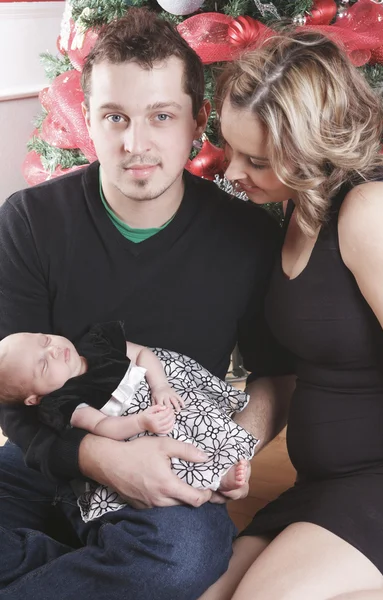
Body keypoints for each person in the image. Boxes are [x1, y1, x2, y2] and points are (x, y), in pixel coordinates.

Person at [0, 8, 288, 600]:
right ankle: (85, 566)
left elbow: (278, 376)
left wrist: (220, 453)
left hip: (170, 463)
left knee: (181, 559)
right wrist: (104, 461)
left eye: (161, 116)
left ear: (197, 122)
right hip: (51, 458)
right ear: (87, 119)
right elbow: (9, 389)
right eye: (115, 117)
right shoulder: (28, 221)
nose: (137, 144)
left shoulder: (249, 236)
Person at [199, 29, 383, 600]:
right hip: (321, 485)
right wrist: (232, 448)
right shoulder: (290, 214)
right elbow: (284, 374)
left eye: (256, 160)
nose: (232, 172)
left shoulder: (371, 210)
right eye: (232, 148)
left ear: (313, 147)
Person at [0, 321, 254, 523]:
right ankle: (219, 479)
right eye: (44, 365)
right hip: (138, 424)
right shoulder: (64, 402)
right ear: (34, 399)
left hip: (161, 388)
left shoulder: (98, 343)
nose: (53, 350)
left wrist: (160, 386)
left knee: (202, 418)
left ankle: (228, 457)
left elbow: (144, 354)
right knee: (172, 454)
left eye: (44, 340)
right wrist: (140, 422)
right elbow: (103, 427)